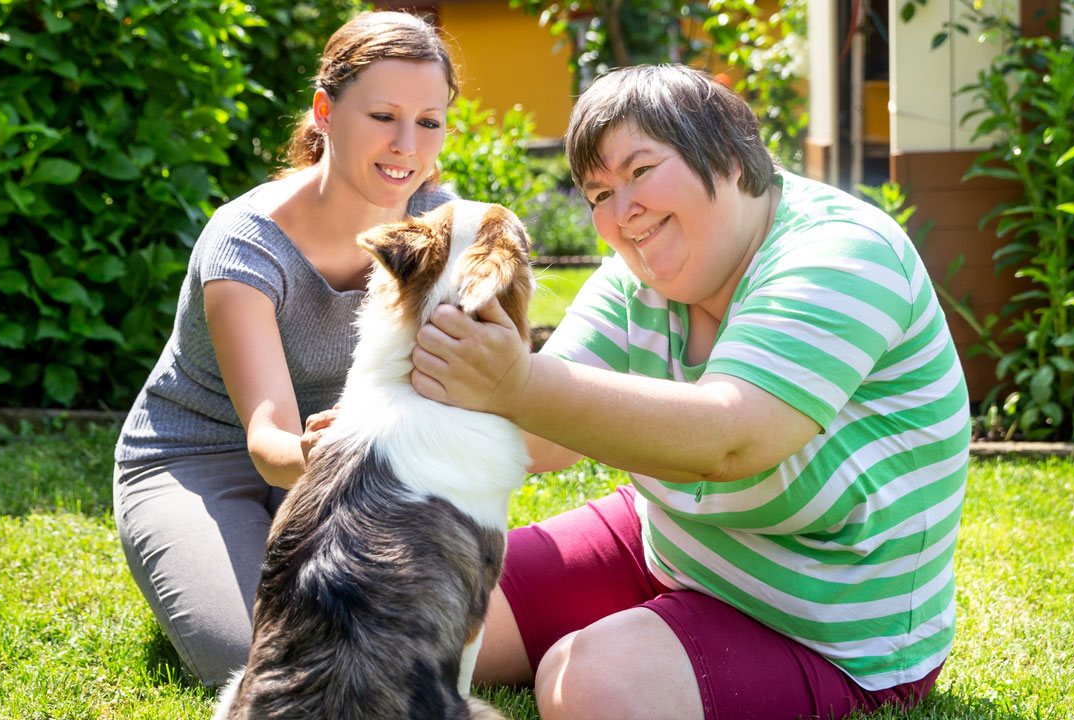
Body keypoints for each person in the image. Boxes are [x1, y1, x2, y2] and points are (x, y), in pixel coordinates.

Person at [411, 64, 970, 720]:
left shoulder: (841, 254)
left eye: (641, 171)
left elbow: (731, 439)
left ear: (729, 154)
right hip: (674, 543)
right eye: (598, 194)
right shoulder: (634, 279)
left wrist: (518, 382)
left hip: (826, 625)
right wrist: (394, 431)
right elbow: (540, 439)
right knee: (405, 601)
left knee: (589, 682)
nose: (623, 214)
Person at [111, 11, 459, 687]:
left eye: (429, 120)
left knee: (415, 636)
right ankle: (193, 555)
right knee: (268, 662)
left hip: (348, 466)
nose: (406, 144)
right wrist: (316, 454)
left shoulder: (442, 229)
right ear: (325, 111)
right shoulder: (244, 241)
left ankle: (261, 562)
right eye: (383, 115)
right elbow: (268, 438)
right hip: (204, 460)